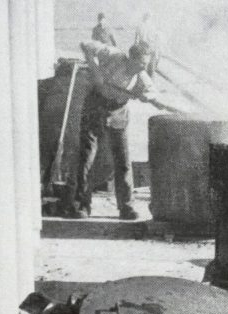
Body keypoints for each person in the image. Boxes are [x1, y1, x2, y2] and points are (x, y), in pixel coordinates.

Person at [62, 40, 158, 219]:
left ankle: (126, 207)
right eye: (141, 63)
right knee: (87, 157)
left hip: (118, 112)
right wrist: (96, 71)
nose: (143, 67)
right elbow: (85, 45)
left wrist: (146, 96)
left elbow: (153, 92)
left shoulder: (141, 75)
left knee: (123, 161)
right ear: (131, 58)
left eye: (146, 63)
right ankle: (82, 205)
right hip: (95, 106)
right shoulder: (113, 55)